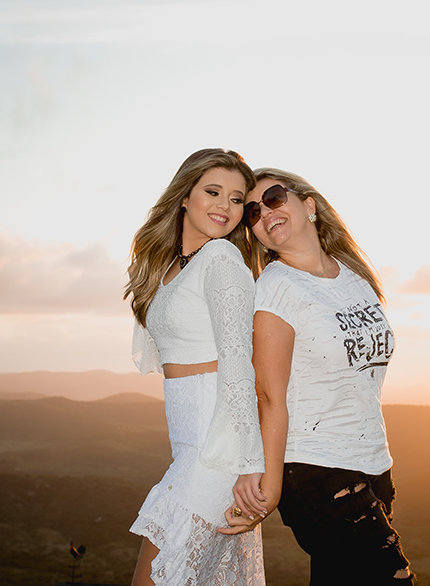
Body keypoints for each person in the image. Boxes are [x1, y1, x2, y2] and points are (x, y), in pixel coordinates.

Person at [225, 167, 414, 584]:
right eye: (252, 211)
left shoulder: (356, 279)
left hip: (374, 465)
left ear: (308, 205)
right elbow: (268, 394)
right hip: (314, 468)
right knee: (391, 578)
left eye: (273, 197)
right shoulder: (277, 286)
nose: (263, 212)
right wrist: (270, 487)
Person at [126, 148, 267, 586]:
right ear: (185, 195)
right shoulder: (167, 266)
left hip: (218, 450)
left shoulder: (221, 260)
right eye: (213, 192)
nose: (225, 206)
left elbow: (239, 363)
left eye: (237, 198)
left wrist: (251, 465)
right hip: (190, 447)